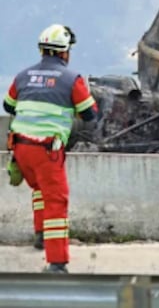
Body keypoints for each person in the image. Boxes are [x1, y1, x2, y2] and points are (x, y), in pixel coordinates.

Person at [4, 24, 98, 273]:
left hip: (21, 149)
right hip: (46, 149)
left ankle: (40, 235)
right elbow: (90, 114)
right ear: (64, 52)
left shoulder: (23, 76)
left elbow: (8, 106)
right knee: (57, 200)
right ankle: (57, 262)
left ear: (42, 50)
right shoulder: (71, 79)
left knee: (38, 188)